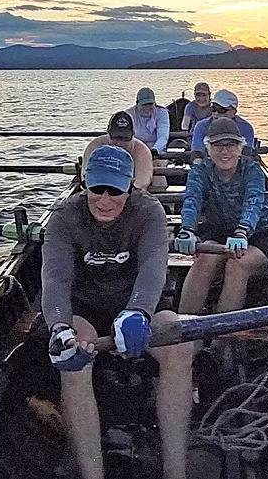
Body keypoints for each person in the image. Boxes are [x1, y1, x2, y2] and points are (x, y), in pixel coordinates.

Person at [41, 146, 196, 479]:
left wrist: (138, 310)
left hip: (138, 306)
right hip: (84, 310)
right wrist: (59, 328)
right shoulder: (63, 218)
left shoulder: (149, 212)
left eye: (116, 190)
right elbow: (54, 280)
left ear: (131, 186)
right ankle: (92, 473)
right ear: (84, 184)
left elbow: (155, 267)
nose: (105, 199)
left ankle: (176, 472)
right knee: (73, 356)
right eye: (97, 189)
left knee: (180, 347)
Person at [174, 117, 268, 314]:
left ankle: (220, 341)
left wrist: (242, 232)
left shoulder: (252, 170)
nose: (224, 152)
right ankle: (183, 332)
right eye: (218, 146)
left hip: (264, 232)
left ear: (240, 148)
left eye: (231, 145)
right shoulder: (200, 170)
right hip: (222, 230)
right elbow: (192, 200)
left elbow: (253, 202)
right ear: (208, 148)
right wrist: (187, 230)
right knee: (204, 260)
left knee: (237, 265)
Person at [82, 111, 155, 190]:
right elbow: (85, 177)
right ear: (108, 133)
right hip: (97, 192)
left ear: (133, 135)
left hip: (130, 193)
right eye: (115, 138)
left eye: (124, 138)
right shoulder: (94, 146)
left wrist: (118, 195)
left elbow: (142, 183)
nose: (119, 143)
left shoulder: (142, 150)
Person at [189, 89, 255, 157]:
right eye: (214, 109)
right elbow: (197, 152)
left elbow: (247, 154)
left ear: (234, 112)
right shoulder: (201, 126)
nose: (216, 113)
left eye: (221, 110)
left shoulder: (246, 127)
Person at [126, 87, 170, 153]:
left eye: (150, 104)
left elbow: (163, 136)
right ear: (137, 103)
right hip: (135, 150)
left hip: (157, 151)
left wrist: (155, 149)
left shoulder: (162, 112)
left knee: (158, 163)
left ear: (155, 103)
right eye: (144, 104)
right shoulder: (129, 114)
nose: (147, 108)